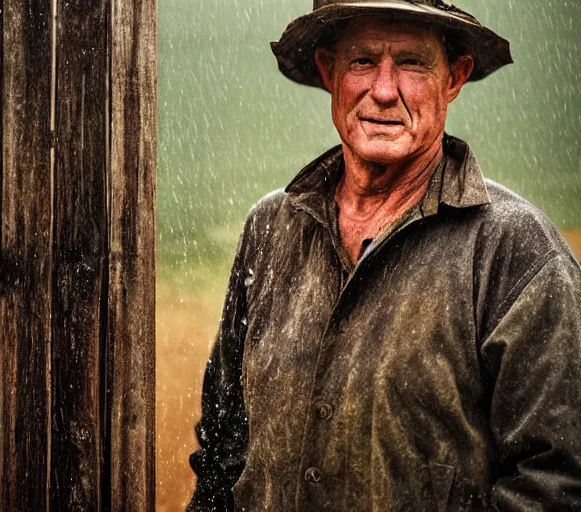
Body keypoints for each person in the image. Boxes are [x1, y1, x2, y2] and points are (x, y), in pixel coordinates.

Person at [187, 1, 581, 510]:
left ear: (455, 78)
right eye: (363, 61)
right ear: (330, 71)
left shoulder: (516, 252)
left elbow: (556, 482)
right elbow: (222, 448)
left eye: (413, 63)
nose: (384, 90)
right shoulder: (271, 229)